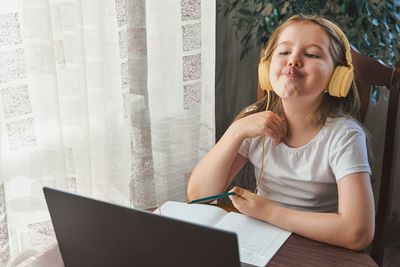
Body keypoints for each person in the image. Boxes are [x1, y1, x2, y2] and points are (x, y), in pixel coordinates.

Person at [187, 14, 375, 250]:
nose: (293, 60)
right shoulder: (254, 119)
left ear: (337, 78)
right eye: (284, 52)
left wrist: (269, 212)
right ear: (266, 68)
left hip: (317, 246)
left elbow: (357, 233)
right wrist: (236, 131)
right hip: (259, 240)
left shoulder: (344, 136)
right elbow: (198, 194)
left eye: (312, 54)